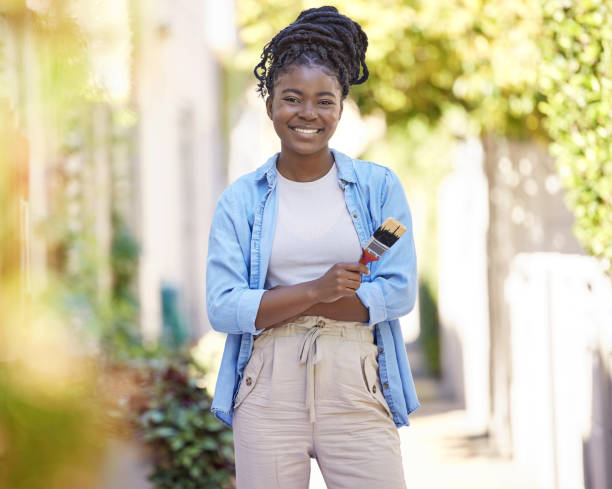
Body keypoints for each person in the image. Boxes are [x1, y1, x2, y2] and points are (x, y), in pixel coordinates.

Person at [206, 6, 420, 488]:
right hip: (268, 384)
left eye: (324, 100)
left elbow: (398, 292)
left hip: (357, 381)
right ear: (270, 105)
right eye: (292, 98)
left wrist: (281, 303)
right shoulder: (241, 200)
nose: (308, 114)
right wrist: (318, 291)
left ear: (342, 106)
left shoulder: (378, 188)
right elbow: (223, 307)